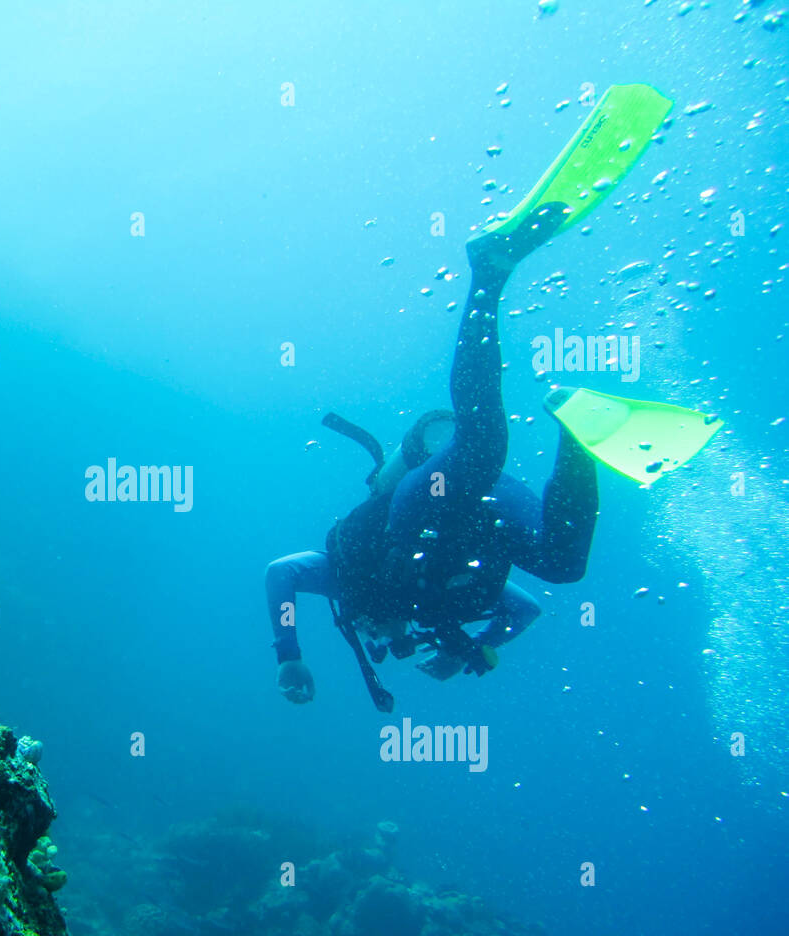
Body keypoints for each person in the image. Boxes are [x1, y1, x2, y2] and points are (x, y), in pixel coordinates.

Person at [266, 84, 721, 710]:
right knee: (563, 565)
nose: (386, 636)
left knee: (481, 445)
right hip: (489, 519)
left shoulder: (344, 583)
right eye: (388, 641)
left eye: (376, 636)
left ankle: (490, 272)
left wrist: (289, 656)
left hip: (420, 504)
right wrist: (468, 645)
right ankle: (577, 432)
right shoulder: (441, 615)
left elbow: (281, 573)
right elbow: (526, 609)